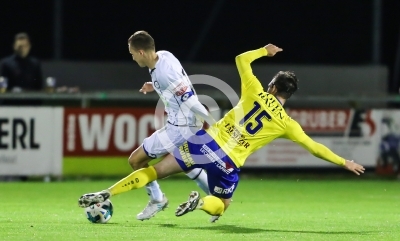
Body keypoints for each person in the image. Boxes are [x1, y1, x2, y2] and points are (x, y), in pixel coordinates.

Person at [78, 43, 365, 221]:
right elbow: (314, 147)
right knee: (223, 203)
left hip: (204, 140)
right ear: (287, 95)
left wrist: (264, 52)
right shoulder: (287, 123)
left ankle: (108, 192)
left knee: (154, 170)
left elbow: (241, 59)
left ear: (272, 87)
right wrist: (344, 162)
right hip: (228, 162)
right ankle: (201, 203)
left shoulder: (254, 90)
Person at [106, 31, 214, 221]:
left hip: (181, 127)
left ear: (141, 52)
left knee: (136, 161)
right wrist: (154, 86)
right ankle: (219, 199)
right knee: (187, 164)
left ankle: (157, 199)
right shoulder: (164, 56)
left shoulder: (165, 74)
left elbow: (191, 101)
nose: (132, 58)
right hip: (184, 122)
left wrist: (214, 126)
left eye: (132, 54)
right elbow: (174, 86)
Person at [0, 32, 43, 106]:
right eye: (20, 46)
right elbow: (2, 87)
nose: (22, 49)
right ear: (14, 46)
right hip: (11, 104)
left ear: (29, 46)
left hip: (31, 104)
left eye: (25, 46)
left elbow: (39, 86)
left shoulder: (35, 64)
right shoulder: (6, 63)